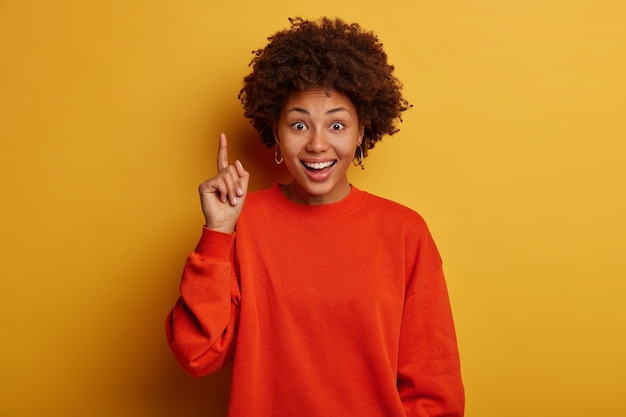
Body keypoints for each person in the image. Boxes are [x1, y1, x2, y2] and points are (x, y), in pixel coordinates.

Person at [166, 17, 464, 417]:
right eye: (299, 124)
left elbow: (434, 389)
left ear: (361, 132)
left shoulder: (405, 231)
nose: (318, 144)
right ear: (275, 130)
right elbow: (197, 354)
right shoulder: (242, 222)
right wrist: (218, 232)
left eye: (337, 124)